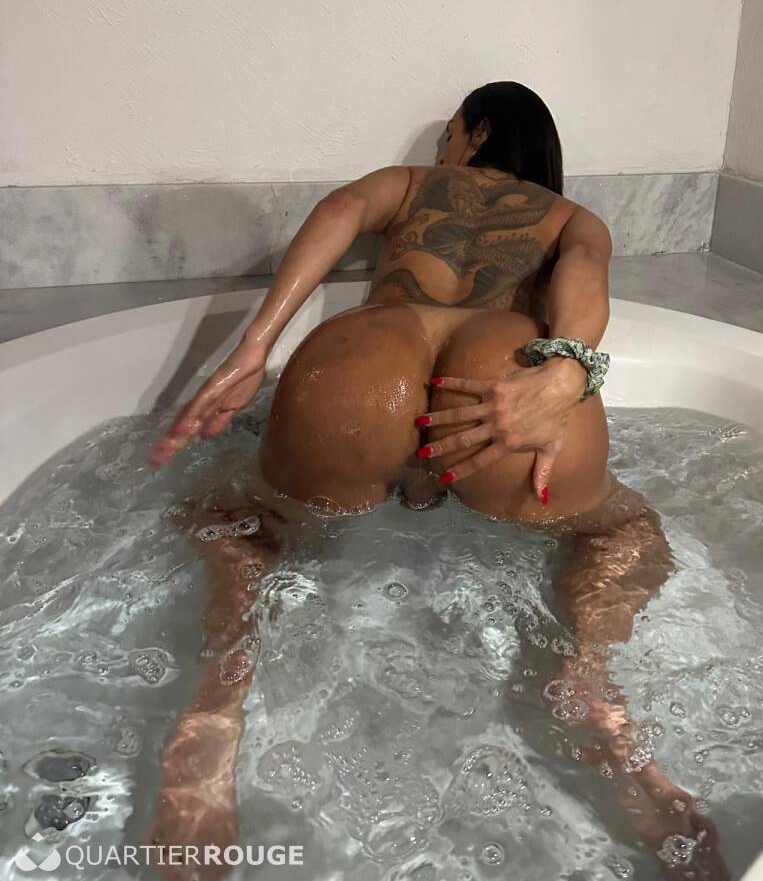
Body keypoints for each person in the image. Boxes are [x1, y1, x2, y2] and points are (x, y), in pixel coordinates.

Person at [147, 82, 729, 880]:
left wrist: (257, 346)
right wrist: (566, 371)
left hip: (363, 366)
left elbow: (341, 209)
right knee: (619, 531)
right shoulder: (569, 218)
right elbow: (587, 271)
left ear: (477, 132)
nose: (440, 149)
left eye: (447, 134)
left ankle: (215, 713)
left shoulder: (409, 185)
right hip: (502, 383)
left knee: (245, 524)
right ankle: (587, 677)